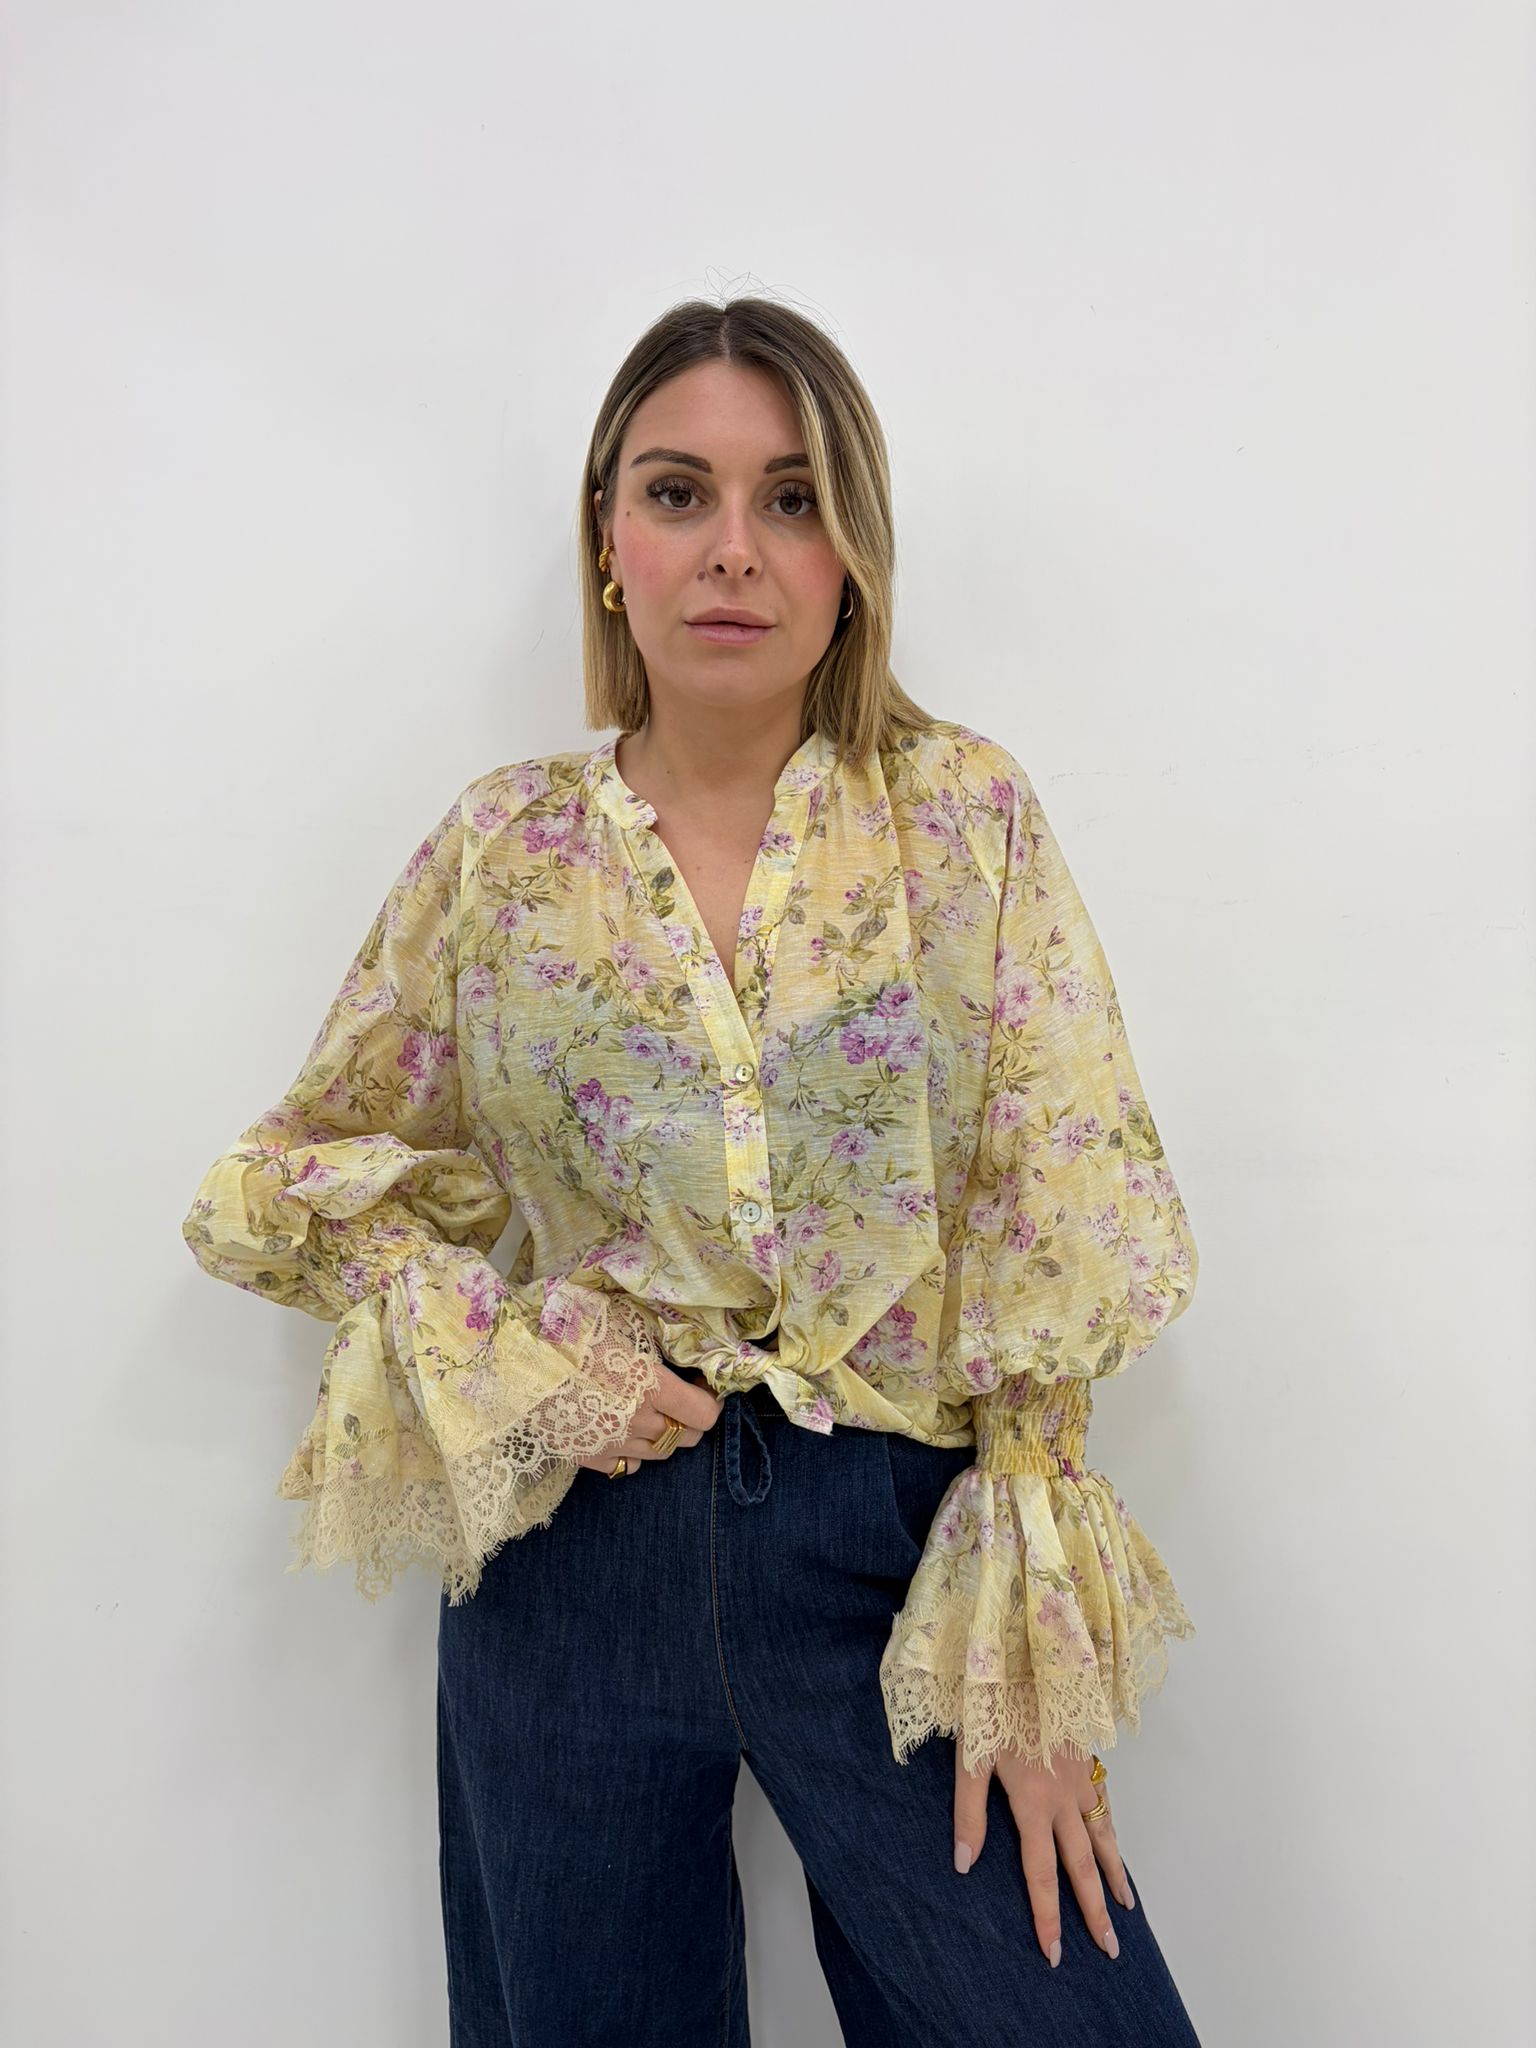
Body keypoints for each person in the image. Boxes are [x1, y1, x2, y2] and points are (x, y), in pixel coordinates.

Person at [181, 296, 1204, 2046]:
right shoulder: (504, 851)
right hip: (573, 1562)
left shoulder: (963, 821)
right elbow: (275, 1185)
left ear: (853, 553)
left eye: (793, 499)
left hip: (894, 1551)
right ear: (608, 541)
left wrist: (1029, 1662)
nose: (736, 548)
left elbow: (1057, 1204)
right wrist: (515, 1352)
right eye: (679, 493)